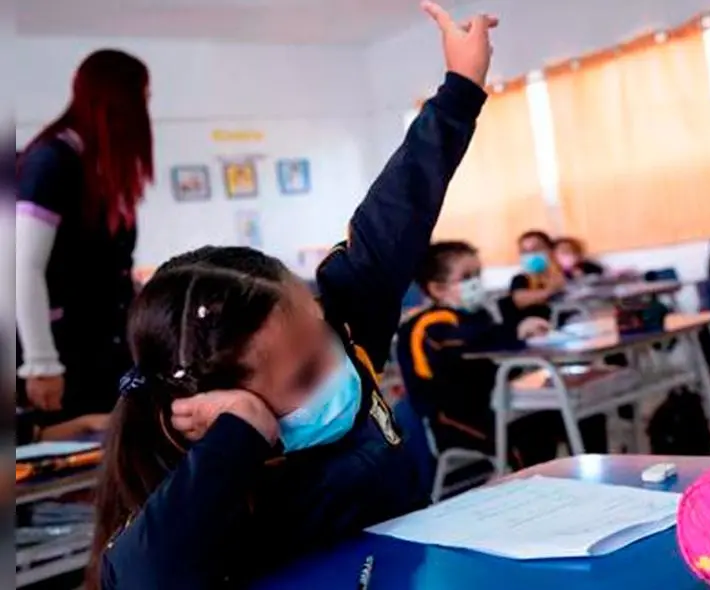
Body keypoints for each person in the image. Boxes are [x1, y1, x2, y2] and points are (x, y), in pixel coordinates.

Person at [87, 4, 498, 588]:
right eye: (306, 376)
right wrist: (241, 436)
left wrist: (459, 92)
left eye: (325, 331)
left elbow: (393, 218)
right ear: (214, 407)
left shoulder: (339, 329)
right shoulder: (206, 482)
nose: (341, 368)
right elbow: (135, 578)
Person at [16, 49, 153, 426]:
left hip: (105, 347)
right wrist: (40, 363)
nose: (146, 108)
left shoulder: (97, 168)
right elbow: (21, 267)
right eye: (144, 96)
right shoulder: (51, 161)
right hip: (65, 354)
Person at [398, 241, 566, 469]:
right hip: (451, 419)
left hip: (492, 405)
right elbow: (466, 340)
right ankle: (532, 493)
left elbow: (492, 364)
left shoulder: (476, 315)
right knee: (522, 441)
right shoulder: (428, 324)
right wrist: (516, 331)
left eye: (478, 274)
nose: (476, 282)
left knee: (560, 415)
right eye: (466, 277)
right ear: (438, 289)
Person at [507, 230, 566, 324]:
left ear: (550, 250)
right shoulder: (521, 279)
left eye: (536, 249)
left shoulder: (566, 272)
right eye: (525, 252)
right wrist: (550, 290)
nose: (531, 255)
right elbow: (520, 299)